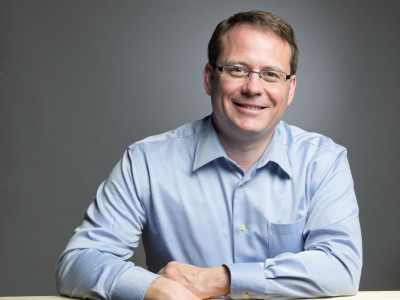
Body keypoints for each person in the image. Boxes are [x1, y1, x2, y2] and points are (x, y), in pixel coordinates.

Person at [55, 11, 362, 300]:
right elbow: (77, 263)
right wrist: (157, 289)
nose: (253, 87)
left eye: (270, 74)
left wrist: (221, 278)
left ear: (290, 88)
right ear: (209, 78)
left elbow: (342, 266)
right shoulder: (146, 162)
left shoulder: (323, 162)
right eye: (237, 69)